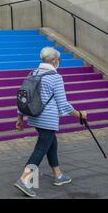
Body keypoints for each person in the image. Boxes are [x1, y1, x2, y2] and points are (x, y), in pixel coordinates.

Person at [14, 47, 88, 198]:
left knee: (51, 143)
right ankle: (25, 180)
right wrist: (80, 114)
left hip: (34, 116)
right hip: (48, 119)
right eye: (59, 60)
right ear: (54, 60)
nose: (59, 63)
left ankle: (59, 175)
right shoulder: (55, 77)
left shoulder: (33, 73)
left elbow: (23, 97)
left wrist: (20, 118)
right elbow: (64, 105)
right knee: (41, 148)